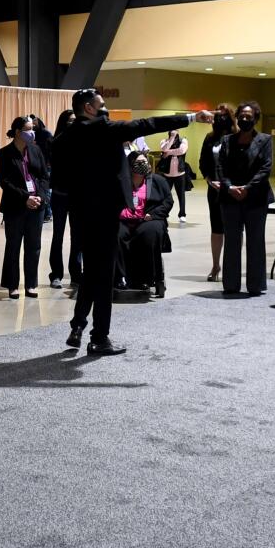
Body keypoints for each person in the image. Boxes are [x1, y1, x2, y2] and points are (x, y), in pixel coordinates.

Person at [52, 87, 202, 355]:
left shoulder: (64, 139)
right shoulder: (105, 129)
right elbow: (149, 124)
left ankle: (78, 326)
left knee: (92, 271)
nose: (105, 108)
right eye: (102, 103)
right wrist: (190, 118)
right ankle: (99, 337)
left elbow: (59, 182)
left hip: (81, 213)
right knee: (104, 273)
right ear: (89, 108)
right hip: (107, 213)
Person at [219, 101, 275, 298]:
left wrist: (248, 188)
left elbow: (266, 168)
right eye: (241, 115)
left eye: (249, 116)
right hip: (230, 197)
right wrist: (230, 187)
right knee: (232, 241)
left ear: (255, 119)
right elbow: (221, 168)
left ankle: (255, 285)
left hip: (256, 198)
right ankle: (231, 284)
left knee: (255, 241)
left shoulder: (265, 140)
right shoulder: (227, 141)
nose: (244, 119)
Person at [0, 114, 50, 298]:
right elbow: (5, 182)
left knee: (34, 246)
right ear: (18, 132)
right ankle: (12, 285)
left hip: (37, 206)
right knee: (13, 246)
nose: (32, 133)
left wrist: (40, 198)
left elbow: (44, 176)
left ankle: (31, 284)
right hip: (15, 206)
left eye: (33, 129)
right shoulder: (4, 154)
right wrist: (25, 197)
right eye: (28, 130)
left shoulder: (36, 151)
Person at [115, 151, 174, 296]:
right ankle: (120, 276)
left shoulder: (158, 181)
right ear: (129, 166)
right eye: (139, 163)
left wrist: (153, 215)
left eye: (145, 162)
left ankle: (146, 278)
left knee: (149, 233)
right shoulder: (120, 182)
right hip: (124, 220)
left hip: (147, 219)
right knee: (115, 234)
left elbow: (168, 201)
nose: (143, 166)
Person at [200, 106, 233, 281]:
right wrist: (209, 180)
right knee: (217, 228)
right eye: (218, 115)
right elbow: (203, 162)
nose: (220, 119)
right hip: (214, 190)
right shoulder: (210, 138)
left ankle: (231, 265)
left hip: (233, 189)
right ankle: (215, 265)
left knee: (233, 229)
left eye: (224, 115)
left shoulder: (237, 137)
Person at [47, 105, 79, 289]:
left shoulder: (83, 141)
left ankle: (76, 273)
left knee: (77, 237)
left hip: (77, 196)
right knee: (57, 235)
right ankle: (56, 274)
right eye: (70, 121)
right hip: (60, 194)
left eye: (75, 121)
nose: (73, 124)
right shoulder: (56, 142)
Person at [158, 128, 190, 224]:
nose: (174, 131)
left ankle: (182, 214)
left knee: (181, 195)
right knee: (165, 196)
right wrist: (171, 138)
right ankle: (164, 213)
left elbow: (182, 151)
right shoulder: (164, 141)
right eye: (172, 130)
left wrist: (168, 153)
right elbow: (164, 148)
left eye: (176, 130)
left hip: (180, 173)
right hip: (167, 174)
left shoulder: (183, 140)